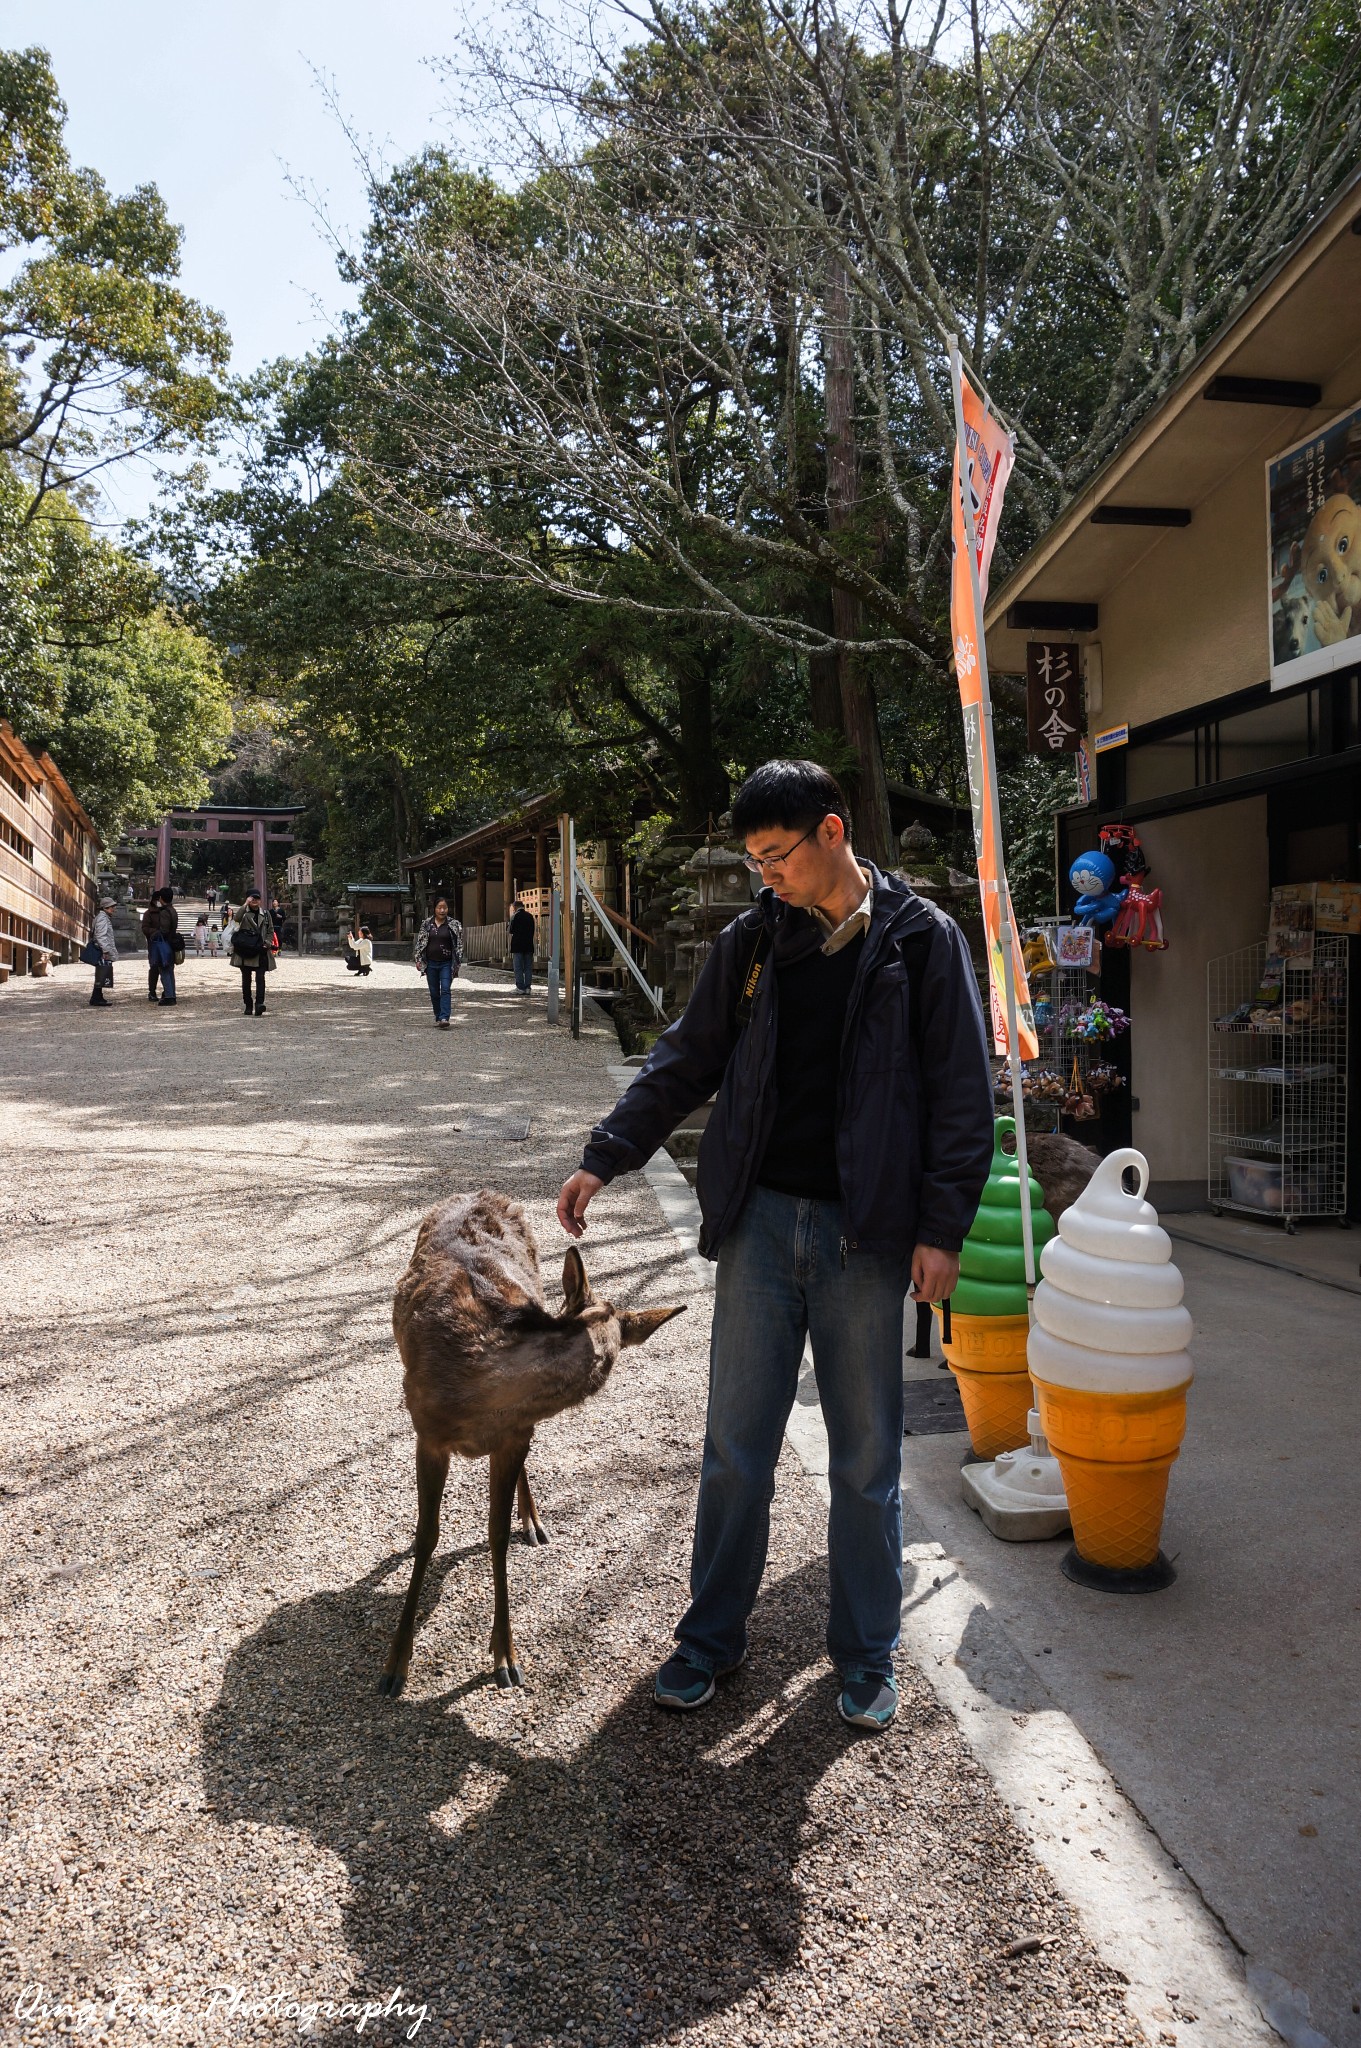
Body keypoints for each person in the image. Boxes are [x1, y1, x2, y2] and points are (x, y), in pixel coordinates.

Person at [556, 761, 993, 1733]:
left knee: (865, 1460)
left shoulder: (920, 943)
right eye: (752, 859)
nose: (765, 877)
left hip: (866, 1236)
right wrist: (606, 1153)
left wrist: (941, 1226)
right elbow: (683, 1056)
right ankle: (709, 1640)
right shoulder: (752, 942)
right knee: (732, 1451)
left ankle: (866, 1652)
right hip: (758, 1226)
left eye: (775, 856)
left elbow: (962, 1096)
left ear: (831, 832)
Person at [414, 898, 462, 1027]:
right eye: (439, 907)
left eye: (445, 907)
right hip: (431, 963)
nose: (442, 910)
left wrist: (458, 962)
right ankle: (438, 1015)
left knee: (445, 989)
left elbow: (459, 944)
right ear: (434, 909)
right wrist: (418, 959)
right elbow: (420, 943)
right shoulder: (427, 924)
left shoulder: (454, 924)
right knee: (434, 991)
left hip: (447, 962)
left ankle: (444, 1017)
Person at [231, 888, 275, 1015]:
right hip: (245, 950)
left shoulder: (265, 914)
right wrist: (245, 904)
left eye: (257, 898)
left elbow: (270, 930)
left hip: (261, 950)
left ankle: (259, 1003)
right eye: (252, 898)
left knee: (260, 978)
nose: (255, 900)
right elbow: (236, 919)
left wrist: (267, 943)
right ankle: (248, 1004)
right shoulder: (244, 913)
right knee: (246, 979)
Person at [141, 887, 179, 1006]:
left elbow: (164, 930)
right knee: (168, 970)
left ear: (162, 899)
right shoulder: (172, 910)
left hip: (162, 944)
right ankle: (170, 993)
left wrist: (155, 934)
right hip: (169, 943)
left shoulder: (165, 912)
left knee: (164, 970)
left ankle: (169, 996)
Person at [88, 894, 118, 1007]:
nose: (113, 909)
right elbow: (101, 935)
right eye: (111, 907)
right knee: (102, 972)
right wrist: (105, 950)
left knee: (101, 972)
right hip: (102, 950)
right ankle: (96, 997)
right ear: (105, 908)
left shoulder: (102, 917)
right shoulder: (102, 918)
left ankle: (97, 996)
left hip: (102, 949)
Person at [508, 898, 536, 994]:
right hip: (528, 944)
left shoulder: (515, 916)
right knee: (528, 967)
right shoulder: (530, 916)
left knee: (518, 967)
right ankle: (528, 987)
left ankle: (520, 987)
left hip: (518, 945)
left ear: (515, 907)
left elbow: (510, 930)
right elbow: (533, 930)